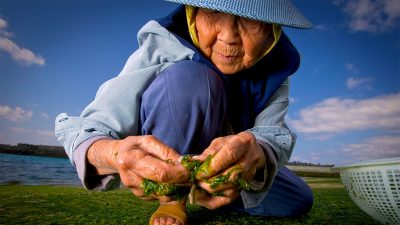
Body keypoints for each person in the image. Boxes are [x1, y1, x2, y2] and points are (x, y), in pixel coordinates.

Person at [55, 0, 314, 224]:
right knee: (191, 80)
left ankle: (208, 190)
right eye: (213, 13)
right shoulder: (162, 44)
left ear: (273, 31)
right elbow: (90, 127)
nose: (228, 37)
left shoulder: (277, 70)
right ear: (192, 13)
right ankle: (172, 198)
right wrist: (112, 153)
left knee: (298, 199)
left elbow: (272, 133)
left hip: (225, 166)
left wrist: (256, 155)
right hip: (170, 151)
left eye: (250, 20)